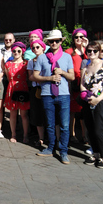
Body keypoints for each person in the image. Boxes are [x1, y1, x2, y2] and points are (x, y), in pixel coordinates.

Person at [33, 30, 74, 164]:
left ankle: (63, 151)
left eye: (57, 40)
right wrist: (49, 78)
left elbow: (72, 76)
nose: (54, 43)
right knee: (49, 124)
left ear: (61, 41)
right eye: (52, 41)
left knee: (65, 125)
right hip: (47, 94)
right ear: (48, 42)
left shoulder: (67, 57)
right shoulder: (42, 58)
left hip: (63, 94)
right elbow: (35, 76)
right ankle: (50, 148)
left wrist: (62, 72)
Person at [80, 41, 103, 168]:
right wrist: (86, 95)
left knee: (100, 129)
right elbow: (82, 85)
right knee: (90, 128)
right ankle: (95, 153)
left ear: (99, 52)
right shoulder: (85, 67)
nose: (92, 53)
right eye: (89, 51)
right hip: (88, 101)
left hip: (102, 100)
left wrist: (98, 98)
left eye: (95, 50)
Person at [65, 28, 88, 144]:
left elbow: (91, 62)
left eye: (81, 37)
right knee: (72, 111)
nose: (79, 39)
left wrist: (86, 48)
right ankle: (72, 134)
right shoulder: (69, 51)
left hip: (86, 82)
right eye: (76, 37)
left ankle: (85, 136)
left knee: (84, 110)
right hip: (74, 83)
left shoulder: (89, 51)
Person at [4, 42, 30, 143]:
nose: (16, 52)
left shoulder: (26, 63)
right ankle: (13, 134)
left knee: (24, 114)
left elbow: (29, 77)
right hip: (12, 89)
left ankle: (25, 135)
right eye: (14, 51)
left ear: (22, 52)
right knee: (13, 113)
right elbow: (7, 76)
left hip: (23, 89)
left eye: (18, 51)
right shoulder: (8, 64)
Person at [27, 39, 47, 146]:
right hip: (37, 89)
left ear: (43, 47)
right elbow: (30, 77)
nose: (35, 49)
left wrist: (39, 78)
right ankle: (41, 138)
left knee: (48, 113)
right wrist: (40, 78)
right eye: (33, 48)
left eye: (37, 47)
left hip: (48, 88)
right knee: (38, 114)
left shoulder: (48, 59)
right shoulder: (31, 61)